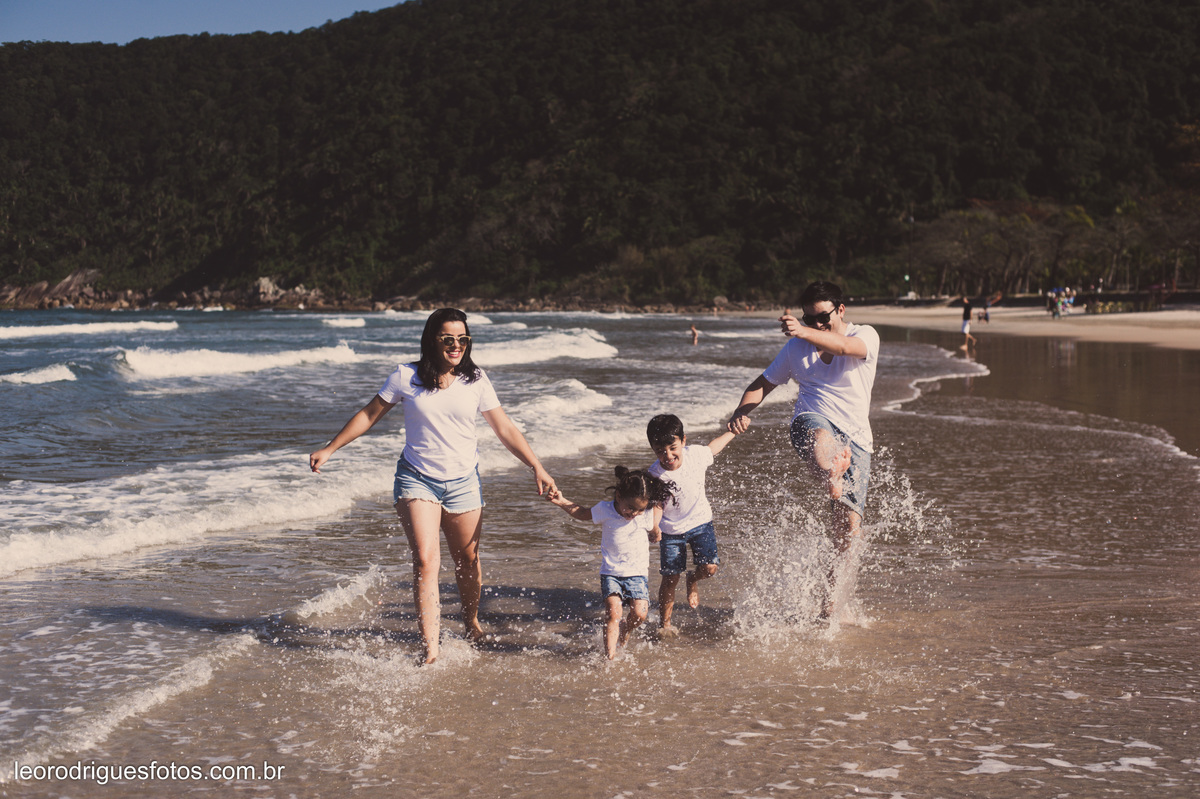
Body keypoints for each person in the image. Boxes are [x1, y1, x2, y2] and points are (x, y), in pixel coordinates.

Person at [309, 308, 555, 664]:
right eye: (448, 339)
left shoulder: (476, 379)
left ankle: (470, 620)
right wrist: (330, 448)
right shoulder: (406, 376)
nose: (456, 346)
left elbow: (505, 429)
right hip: (416, 479)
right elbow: (369, 414)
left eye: (463, 339)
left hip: (463, 483)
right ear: (432, 340)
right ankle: (431, 649)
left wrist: (537, 466)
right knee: (425, 561)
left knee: (467, 561)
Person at [727, 281, 880, 619]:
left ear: (840, 310)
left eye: (823, 317)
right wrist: (742, 411)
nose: (818, 325)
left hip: (858, 439)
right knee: (821, 438)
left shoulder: (866, 335)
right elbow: (763, 384)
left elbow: (842, 347)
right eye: (811, 320)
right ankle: (830, 470)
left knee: (848, 535)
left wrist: (803, 332)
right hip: (811, 419)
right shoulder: (796, 348)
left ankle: (828, 610)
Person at [546, 467, 672, 659]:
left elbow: (657, 508)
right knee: (614, 613)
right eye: (630, 507)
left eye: (640, 509)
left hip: (637, 574)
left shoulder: (644, 513)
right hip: (611, 572)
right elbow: (582, 513)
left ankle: (626, 630)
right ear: (619, 496)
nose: (634, 513)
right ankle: (609, 658)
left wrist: (655, 528)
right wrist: (561, 501)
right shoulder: (605, 509)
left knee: (640, 614)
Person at [645, 413, 739, 637]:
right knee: (670, 577)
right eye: (660, 451)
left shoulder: (695, 455)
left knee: (710, 568)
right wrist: (654, 527)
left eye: (672, 447)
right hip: (671, 532)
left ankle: (693, 579)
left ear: (683, 441)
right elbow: (657, 505)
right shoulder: (654, 475)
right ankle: (664, 625)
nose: (668, 455)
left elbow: (713, 447)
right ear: (653, 449)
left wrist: (733, 432)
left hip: (700, 523)